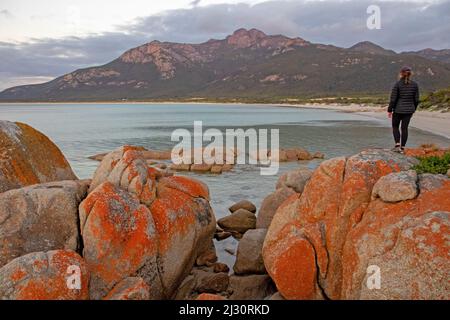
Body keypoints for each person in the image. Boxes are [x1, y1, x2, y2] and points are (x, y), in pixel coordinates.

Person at [387, 66, 420, 153]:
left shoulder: (397, 84)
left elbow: (393, 99)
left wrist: (389, 110)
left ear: (401, 73)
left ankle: (397, 145)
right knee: (404, 128)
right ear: (410, 74)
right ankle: (402, 148)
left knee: (395, 127)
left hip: (398, 110)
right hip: (409, 110)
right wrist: (413, 109)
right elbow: (416, 100)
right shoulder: (415, 85)